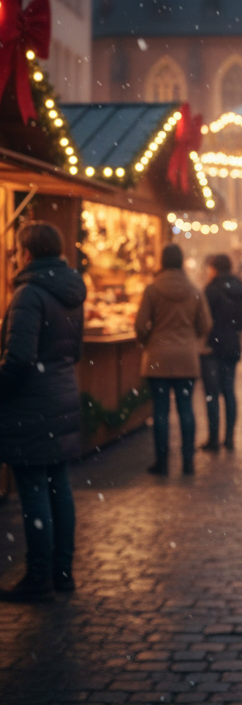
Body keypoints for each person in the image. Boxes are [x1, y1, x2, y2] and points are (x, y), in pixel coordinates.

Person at [0, 223, 86, 602]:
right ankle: (62, 572)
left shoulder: (29, 293)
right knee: (58, 488)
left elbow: (19, 358)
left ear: (27, 252)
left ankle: (39, 576)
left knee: (34, 490)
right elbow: (75, 351)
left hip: (33, 404)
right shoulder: (70, 292)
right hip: (62, 396)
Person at [136, 243, 212, 476]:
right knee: (186, 408)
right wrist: (191, 338)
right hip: (186, 357)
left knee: (160, 411)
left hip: (157, 356)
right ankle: (188, 462)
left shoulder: (152, 290)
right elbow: (206, 324)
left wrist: (149, 339)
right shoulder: (195, 290)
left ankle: (162, 462)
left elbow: (140, 325)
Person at [200, 254, 242, 452]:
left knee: (212, 393)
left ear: (214, 268)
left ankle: (213, 439)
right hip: (232, 344)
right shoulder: (241, 287)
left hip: (212, 347)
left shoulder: (210, 289)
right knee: (229, 390)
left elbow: (204, 321)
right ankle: (229, 438)